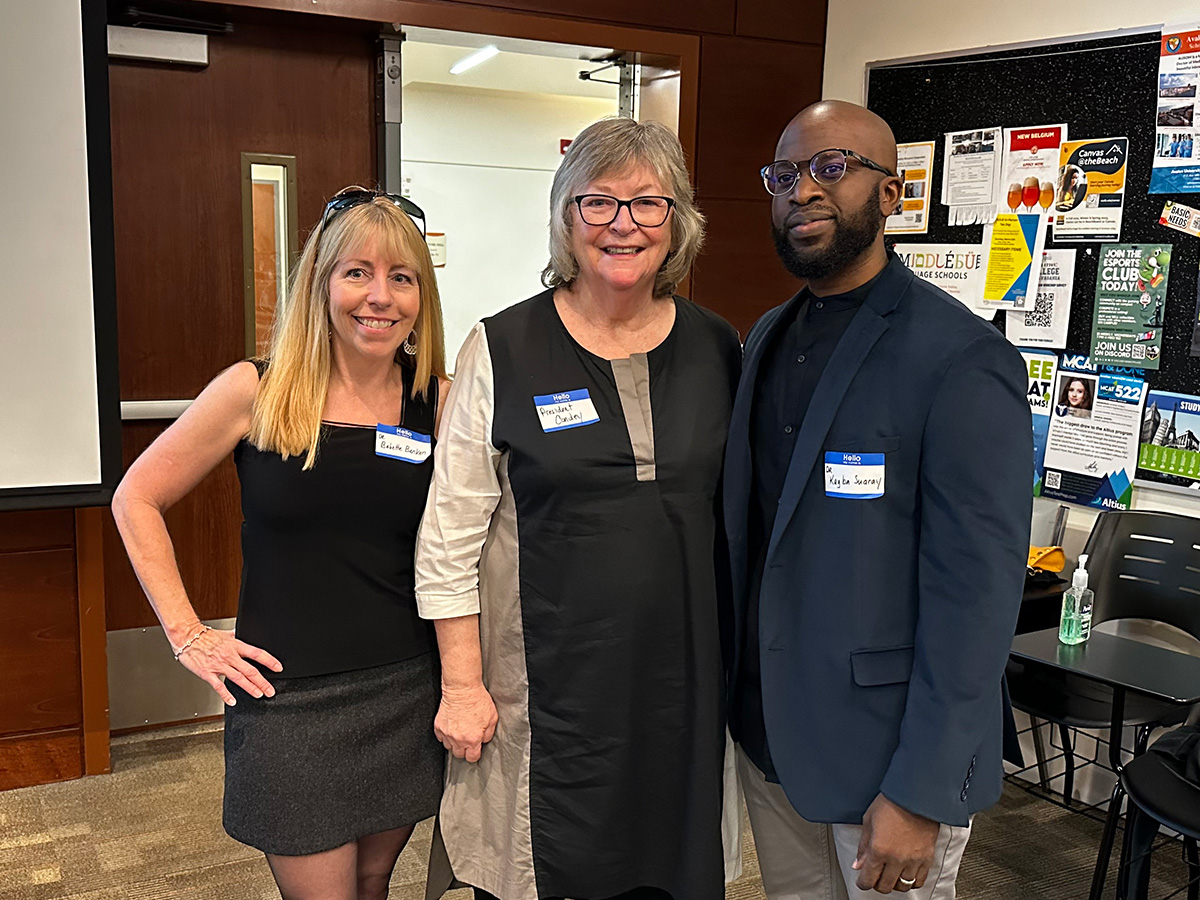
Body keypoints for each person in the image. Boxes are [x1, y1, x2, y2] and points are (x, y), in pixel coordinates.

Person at [414, 117, 740, 900]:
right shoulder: (502, 348)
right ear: (566, 218)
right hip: (547, 683)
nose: (623, 224)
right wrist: (461, 687)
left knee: (669, 866)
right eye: (598, 203)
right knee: (550, 870)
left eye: (648, 203)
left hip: (682, 685)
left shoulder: (720, 349)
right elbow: (450, 532)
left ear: (678, 222)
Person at [723, 100, 1032, 899]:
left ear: (892, 195)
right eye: (785, 175)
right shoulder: (765, 338)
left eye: (834, 168)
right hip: (770, 740)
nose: (804, 191)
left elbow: (977, 595)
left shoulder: (961, 357)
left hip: (888, 761)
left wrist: (925, 789)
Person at [111, 188, 450, 900]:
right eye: (357, 272)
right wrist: (187, 634)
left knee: (374, 880)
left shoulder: (438, 402)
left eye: (402, 277)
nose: (379, 296)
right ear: (321, 281)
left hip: (405, 688)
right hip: (286, 698)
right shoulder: (256, 391)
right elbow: (136, 498)